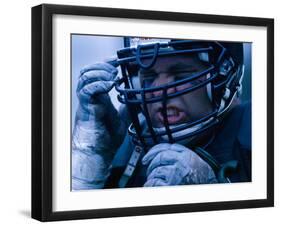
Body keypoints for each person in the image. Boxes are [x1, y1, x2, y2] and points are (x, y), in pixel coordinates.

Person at [72, 39, 251, 190]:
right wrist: (92, 157)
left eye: (180, 76)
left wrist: (212, 191)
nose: (159, 90)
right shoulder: (127, 138)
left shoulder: (256, 129)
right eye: (149, 77)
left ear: (223, 76)